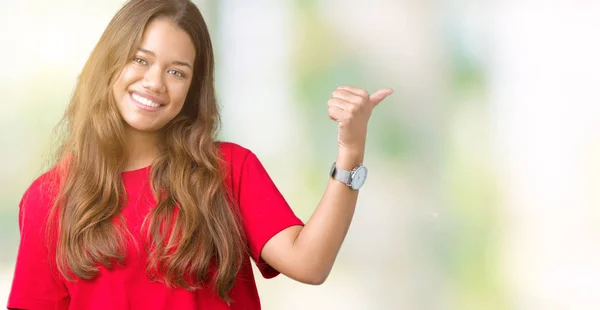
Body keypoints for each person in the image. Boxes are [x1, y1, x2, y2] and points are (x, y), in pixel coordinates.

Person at [7, 0, 393, 309]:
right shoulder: (49, 198)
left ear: (193, 89)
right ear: (109, 63)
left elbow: (310, 263)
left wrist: (350, 152)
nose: (154, 82)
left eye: (177, 72)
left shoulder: (229, 170)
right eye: (140, 60)